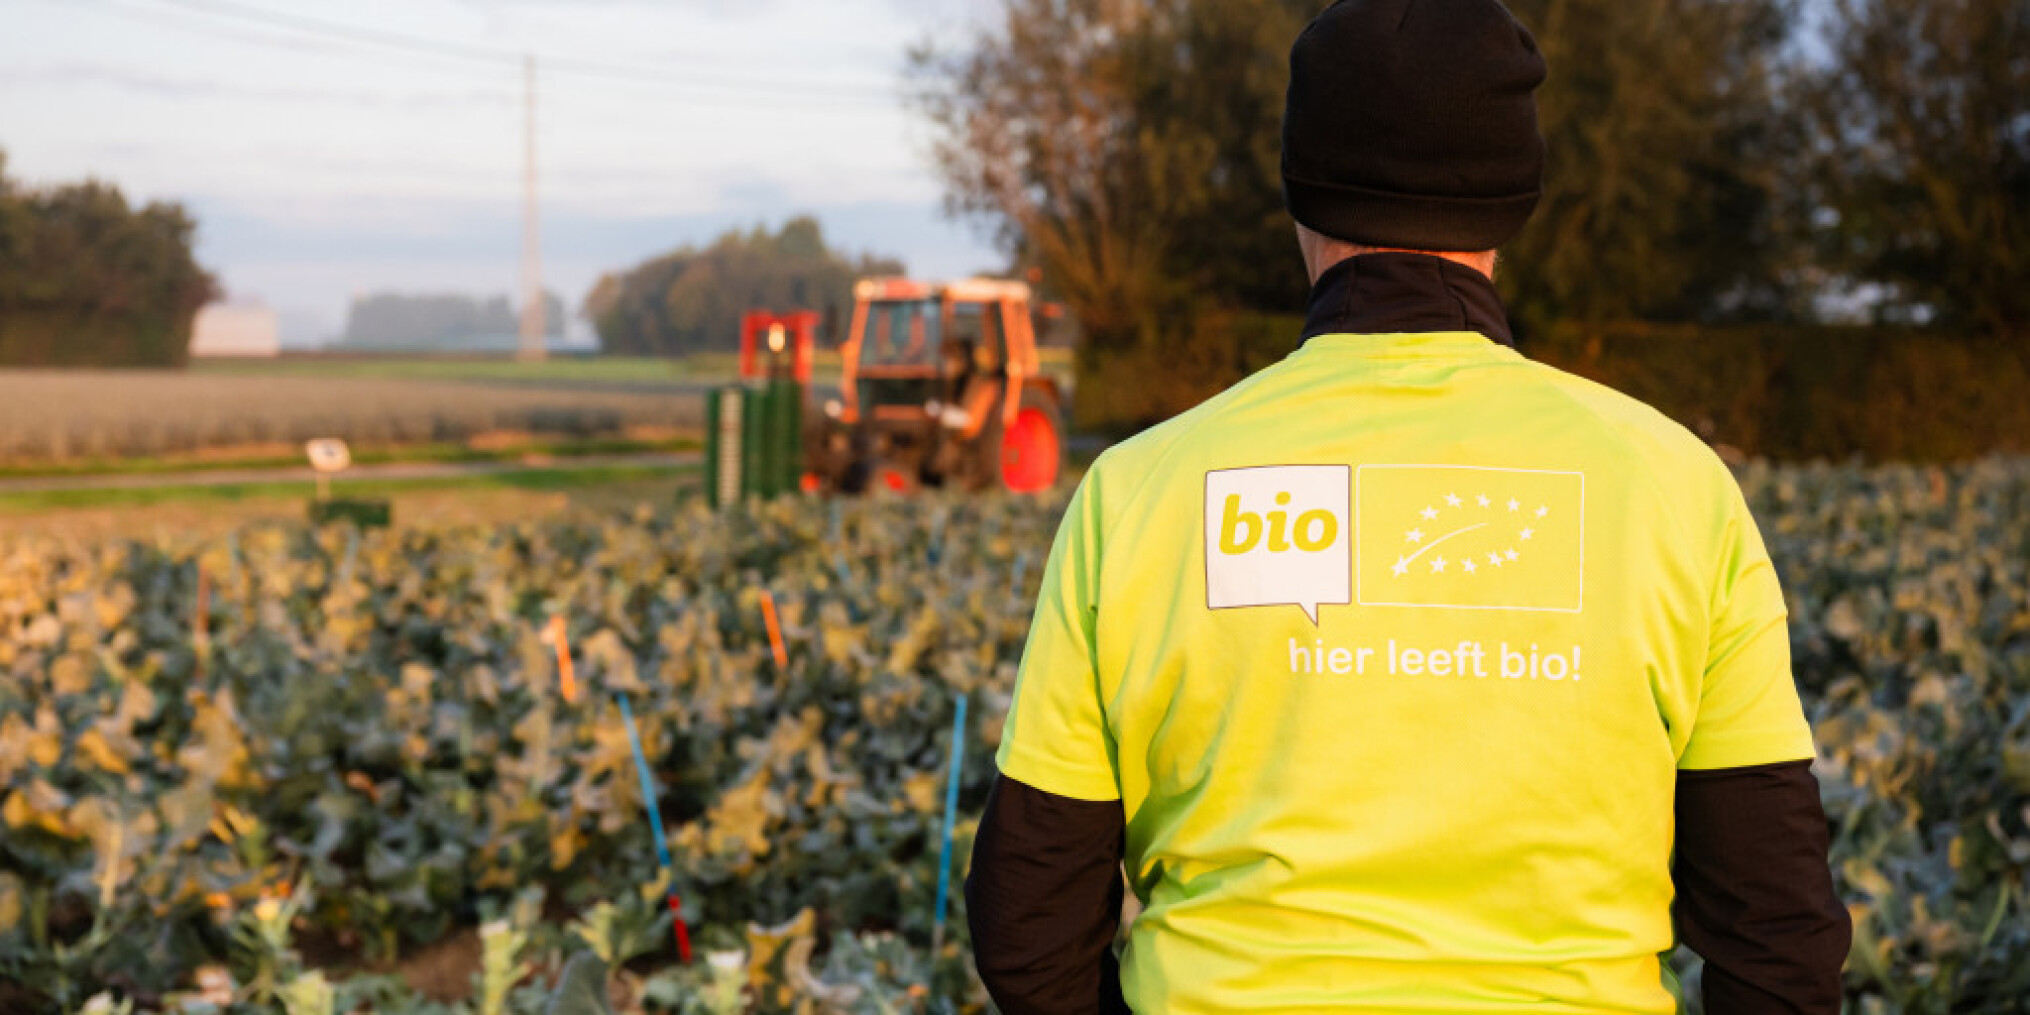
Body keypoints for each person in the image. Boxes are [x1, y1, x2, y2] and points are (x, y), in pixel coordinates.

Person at [964, 1, 1851, 1012]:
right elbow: (1777, 932)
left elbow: (1029, 919)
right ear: (1516, 198)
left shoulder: (1137, 489)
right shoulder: (1677, 487)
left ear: (1298, 191)